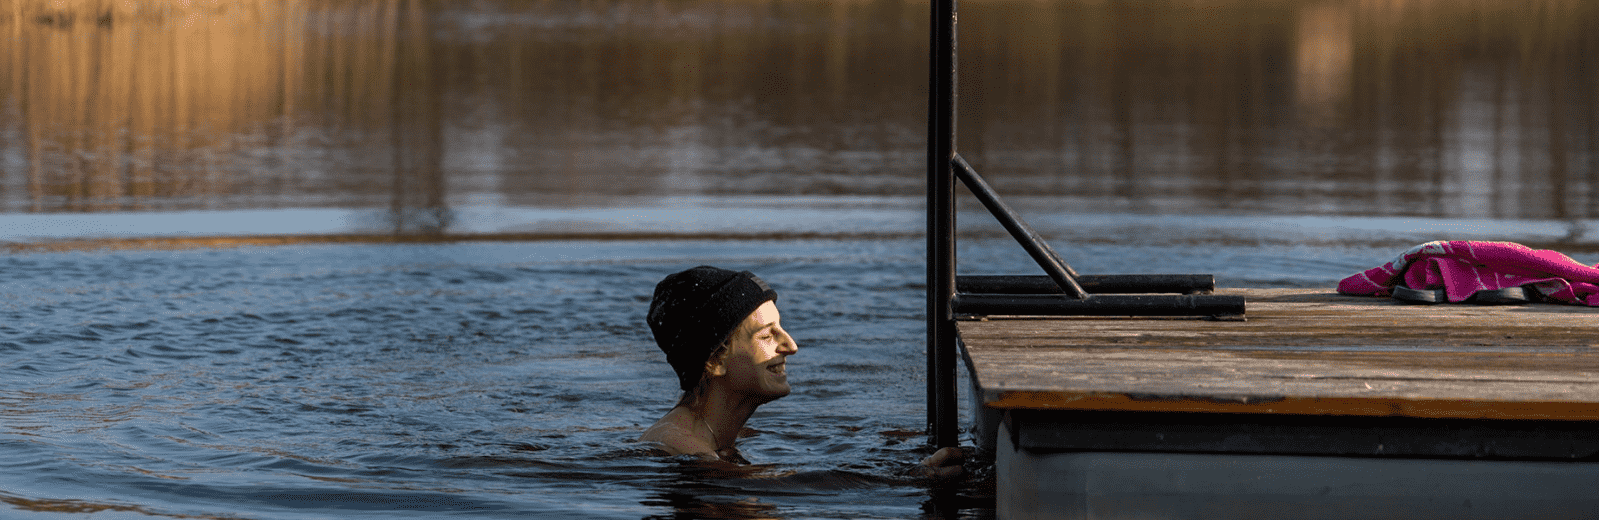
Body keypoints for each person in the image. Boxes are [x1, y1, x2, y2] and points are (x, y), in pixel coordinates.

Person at [638, 266, 964, 478]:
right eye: (767, 335)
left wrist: (896, 444)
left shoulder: (714, 435)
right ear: (714, 361)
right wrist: (911, 478)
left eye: (781, 328)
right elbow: (771, 483)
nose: (791, 346)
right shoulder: (682, 449)